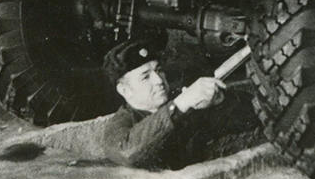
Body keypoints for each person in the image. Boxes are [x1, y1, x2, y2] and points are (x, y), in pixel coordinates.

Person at [100, 39, 257, 170]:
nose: (159, 80)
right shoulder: (120, 124)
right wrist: (182, 103)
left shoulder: (185, 104)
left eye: (159, 70)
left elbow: (254, 117)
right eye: (145, 77)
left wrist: (221, 101)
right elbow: (129, 152)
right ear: (125, 90)